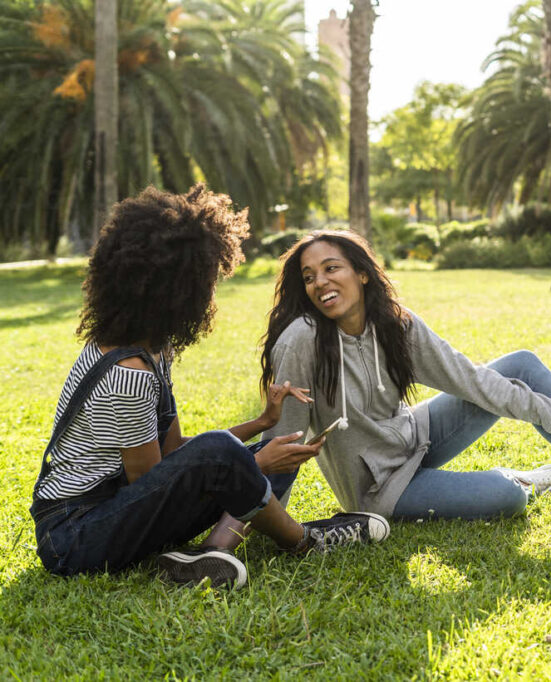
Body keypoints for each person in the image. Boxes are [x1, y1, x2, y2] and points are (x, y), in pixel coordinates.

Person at [30, 187, 388, 590]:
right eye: (206, 280)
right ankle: (306, 541)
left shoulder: (152, 349)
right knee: (239, 455)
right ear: (177, 289)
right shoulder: (129, 373)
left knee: (280, 449)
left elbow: (174, 452)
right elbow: (155, 488)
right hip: (74, 536)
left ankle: (211, 552)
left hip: (113, 511)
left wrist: (260, 425)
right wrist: (255, 464)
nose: (209, 294)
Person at [255, 230, 551, 524]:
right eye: (309, 277)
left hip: (414, 435)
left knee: (520, 363)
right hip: (380, 489)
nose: (320, 282)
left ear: (362, 273)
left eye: (331, 268)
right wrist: (264, 520)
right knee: (508, 497)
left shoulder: (396, 322)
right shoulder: (304, 339)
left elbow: (469, 379)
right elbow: (284, 439)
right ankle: (528, 480)